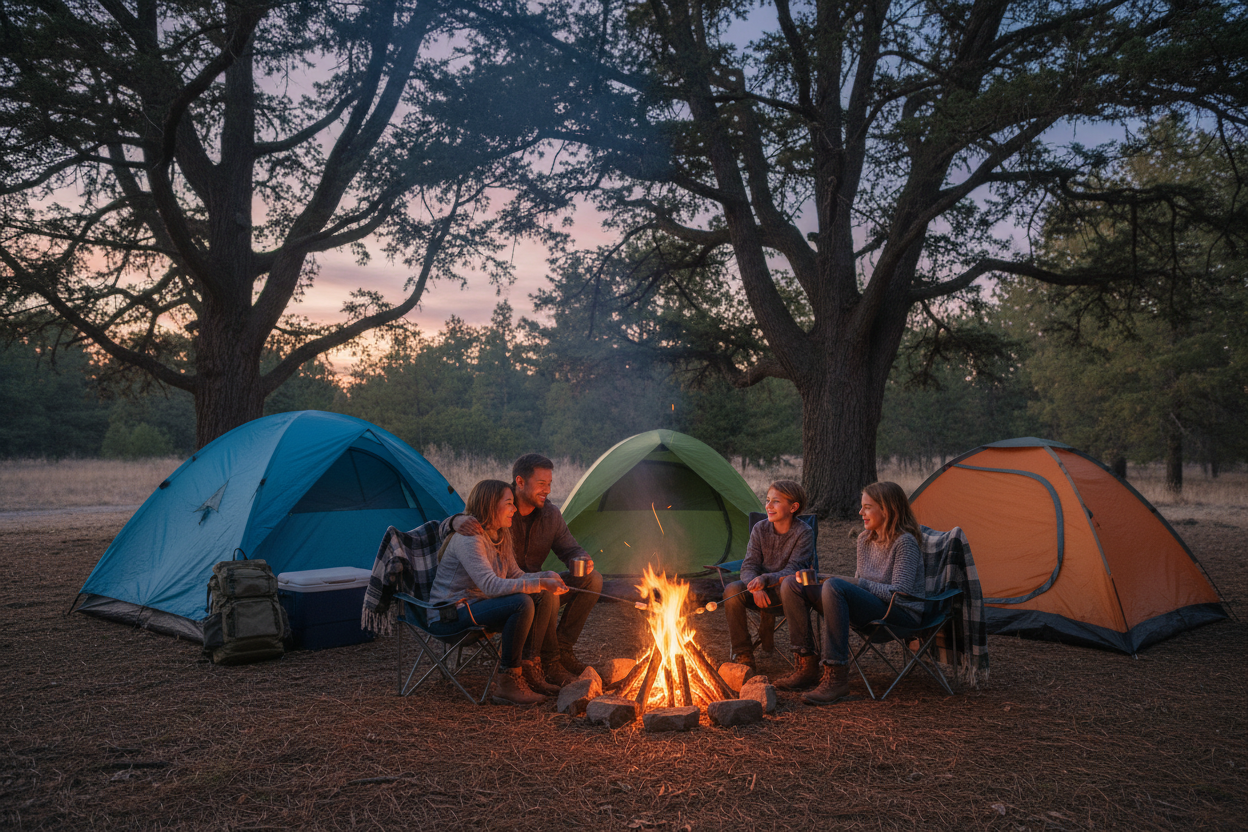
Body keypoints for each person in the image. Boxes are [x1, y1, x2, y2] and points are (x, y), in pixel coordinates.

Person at [444, 453, 602, 690]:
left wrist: (580, 559)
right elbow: (468, 521)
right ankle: (542, 662)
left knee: (592, 579)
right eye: (541, 484)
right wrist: (453, 521)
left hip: (523, 584)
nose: (547, 490)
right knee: (540, 593)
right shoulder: (497, 507)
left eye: (549, 484)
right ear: (520, 481)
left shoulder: (549, 515)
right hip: (503, 594)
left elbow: (570, 549)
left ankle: (562, 650)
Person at [776, 481, 925, 704]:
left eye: (867, 507)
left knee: (835, 586)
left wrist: (852, 583)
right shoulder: (864, 539)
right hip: (871, 607)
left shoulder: (905, 543)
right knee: (792, 584)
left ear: (887, 509)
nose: (860, 512)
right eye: (861, 506)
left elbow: (901, 593)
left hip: (899, 614)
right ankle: (806, 663)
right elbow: (858, 584)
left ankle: (836, 676)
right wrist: (829, 579)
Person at [427, 479, 569, 706]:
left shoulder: (501, 534)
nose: (514, 509)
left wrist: (544, 577)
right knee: (521, 603)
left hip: (478, 607)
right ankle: (508, 682)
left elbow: (514, 575)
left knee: (540, 595)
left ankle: (530, 668)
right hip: (450, 616)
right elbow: (491, 586)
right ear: (491, 505)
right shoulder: (469, 539)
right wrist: (539, 584)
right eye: (509, 503)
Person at [723, 480, 813, 670]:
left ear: (793, 507)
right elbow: (749, 566)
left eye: (776, 501)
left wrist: (765, 580)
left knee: (788, 585)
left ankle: (803, 657)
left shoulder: (803, 532)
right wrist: (755, 587)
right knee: (732, 590)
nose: (768, 506)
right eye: (767, 500)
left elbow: (794, 569)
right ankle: (743, 653)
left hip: (788, 592)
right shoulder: (760, 529)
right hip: (760, 590)